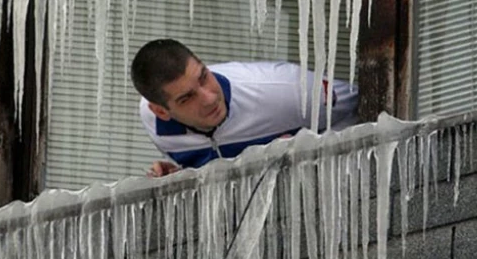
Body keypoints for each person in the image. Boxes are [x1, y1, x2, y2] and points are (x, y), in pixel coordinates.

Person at [131, 38, 359, 177]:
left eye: (203, 77)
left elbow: (365, 107)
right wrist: (184, 176)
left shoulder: (289, 91)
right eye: (187, 98)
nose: (209, 98)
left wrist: (310, 149)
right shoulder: (154, 123)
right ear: (161, 111)